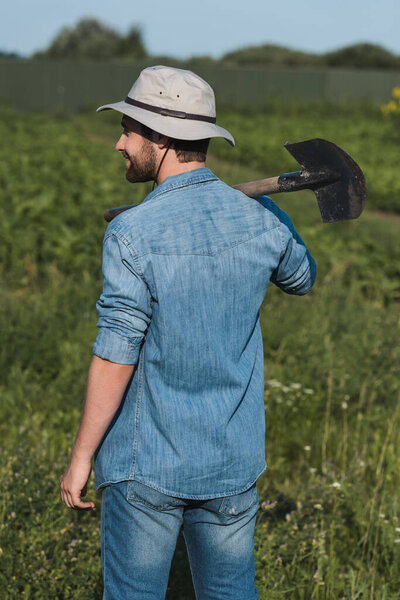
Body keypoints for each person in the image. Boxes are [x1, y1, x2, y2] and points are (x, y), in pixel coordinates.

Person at [60, 65, 316, 600]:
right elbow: (302, 276)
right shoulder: (260, 218)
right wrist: (272, 216)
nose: (118, 143)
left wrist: (82, 455)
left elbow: (115, 354)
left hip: (147, 463)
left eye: (128, 129)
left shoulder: (131, 233)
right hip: (231, 460)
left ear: (161, 138)